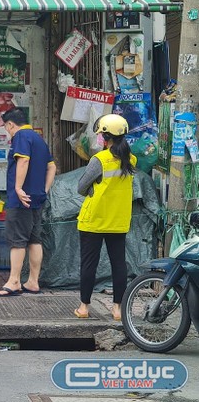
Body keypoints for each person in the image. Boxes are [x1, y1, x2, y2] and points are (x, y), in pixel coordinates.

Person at [74, 114, 136, 320]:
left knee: (89, 264)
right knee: (119, 264)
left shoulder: (99, 160)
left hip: (94, 220)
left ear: (105, 136)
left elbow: (81, 187)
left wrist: (93, 189)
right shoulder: (131, 159)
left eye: (100, 133)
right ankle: (118, 308)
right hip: (118, 221)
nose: (99, 137)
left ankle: (84, 307)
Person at [0, 107, 56, 297]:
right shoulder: (38, 139)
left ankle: (14, 282)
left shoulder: (20, 137)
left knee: (17, 241)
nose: (7, 131)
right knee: (34, 239)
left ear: (11, 124)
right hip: (37, 198)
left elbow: (23, 161)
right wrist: (44, 189)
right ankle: (33, 282)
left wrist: (18, 188)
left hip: (22, 200)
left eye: (6, 128)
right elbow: (52, 167)